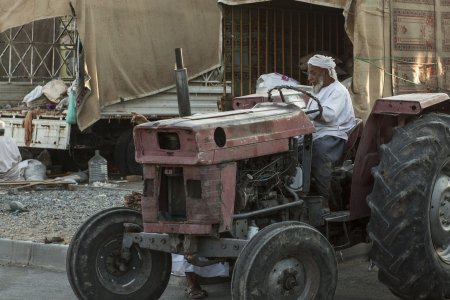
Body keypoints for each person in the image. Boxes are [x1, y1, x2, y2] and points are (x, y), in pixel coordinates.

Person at [303, 54, 356, 214]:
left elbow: (329, 115)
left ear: (326, 73)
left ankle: (325, 204)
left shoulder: (338, 91)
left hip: (335, 135)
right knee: (295, 153)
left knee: (319, 154)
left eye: (313, 73)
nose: (309, 78)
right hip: (318, 133)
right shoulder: (318, 90)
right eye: (309, 73)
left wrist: (306, 113)